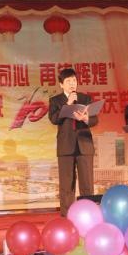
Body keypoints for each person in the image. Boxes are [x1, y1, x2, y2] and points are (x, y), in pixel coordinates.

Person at [48, 68, 99, 216]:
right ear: (61, 84)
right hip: (66, 147)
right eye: (68, 81)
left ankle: (88, 214)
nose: (72, 84)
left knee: (87, 184)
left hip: (84, 145)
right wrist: (67, 104)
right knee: (67, 185)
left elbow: (95, 119)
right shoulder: (56, 100)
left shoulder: (85, 98)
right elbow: (54, 119)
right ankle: (67, 216)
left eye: (74, 80)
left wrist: (86, 118)